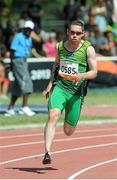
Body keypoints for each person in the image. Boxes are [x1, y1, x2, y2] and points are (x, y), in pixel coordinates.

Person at [42, 19, 97, 164]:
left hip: (76, 94)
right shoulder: (60, 46)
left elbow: (94, 72)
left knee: (68, 131)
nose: (74, 35)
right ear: (67, 32)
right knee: (53, 115)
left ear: (83, 35)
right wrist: (50, 84)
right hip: (60, 87)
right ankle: (47, 152)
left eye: (78, 33)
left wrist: (81, 75)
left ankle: (69, 121)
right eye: (72, 32)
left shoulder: (88, 49)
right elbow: (56, 65)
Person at [5, 20, 36, 116]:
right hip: (17, 60)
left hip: (24, 61)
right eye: (26, 28)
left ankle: (10, 109)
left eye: (30, 29)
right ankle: (24, 107)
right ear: (24, 28)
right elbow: (12, 51)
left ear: (32, 30)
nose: (28, 30)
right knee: (28, 83)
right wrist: (11, 64)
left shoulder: (30, 39)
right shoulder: (18, 37)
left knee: (18, 87)